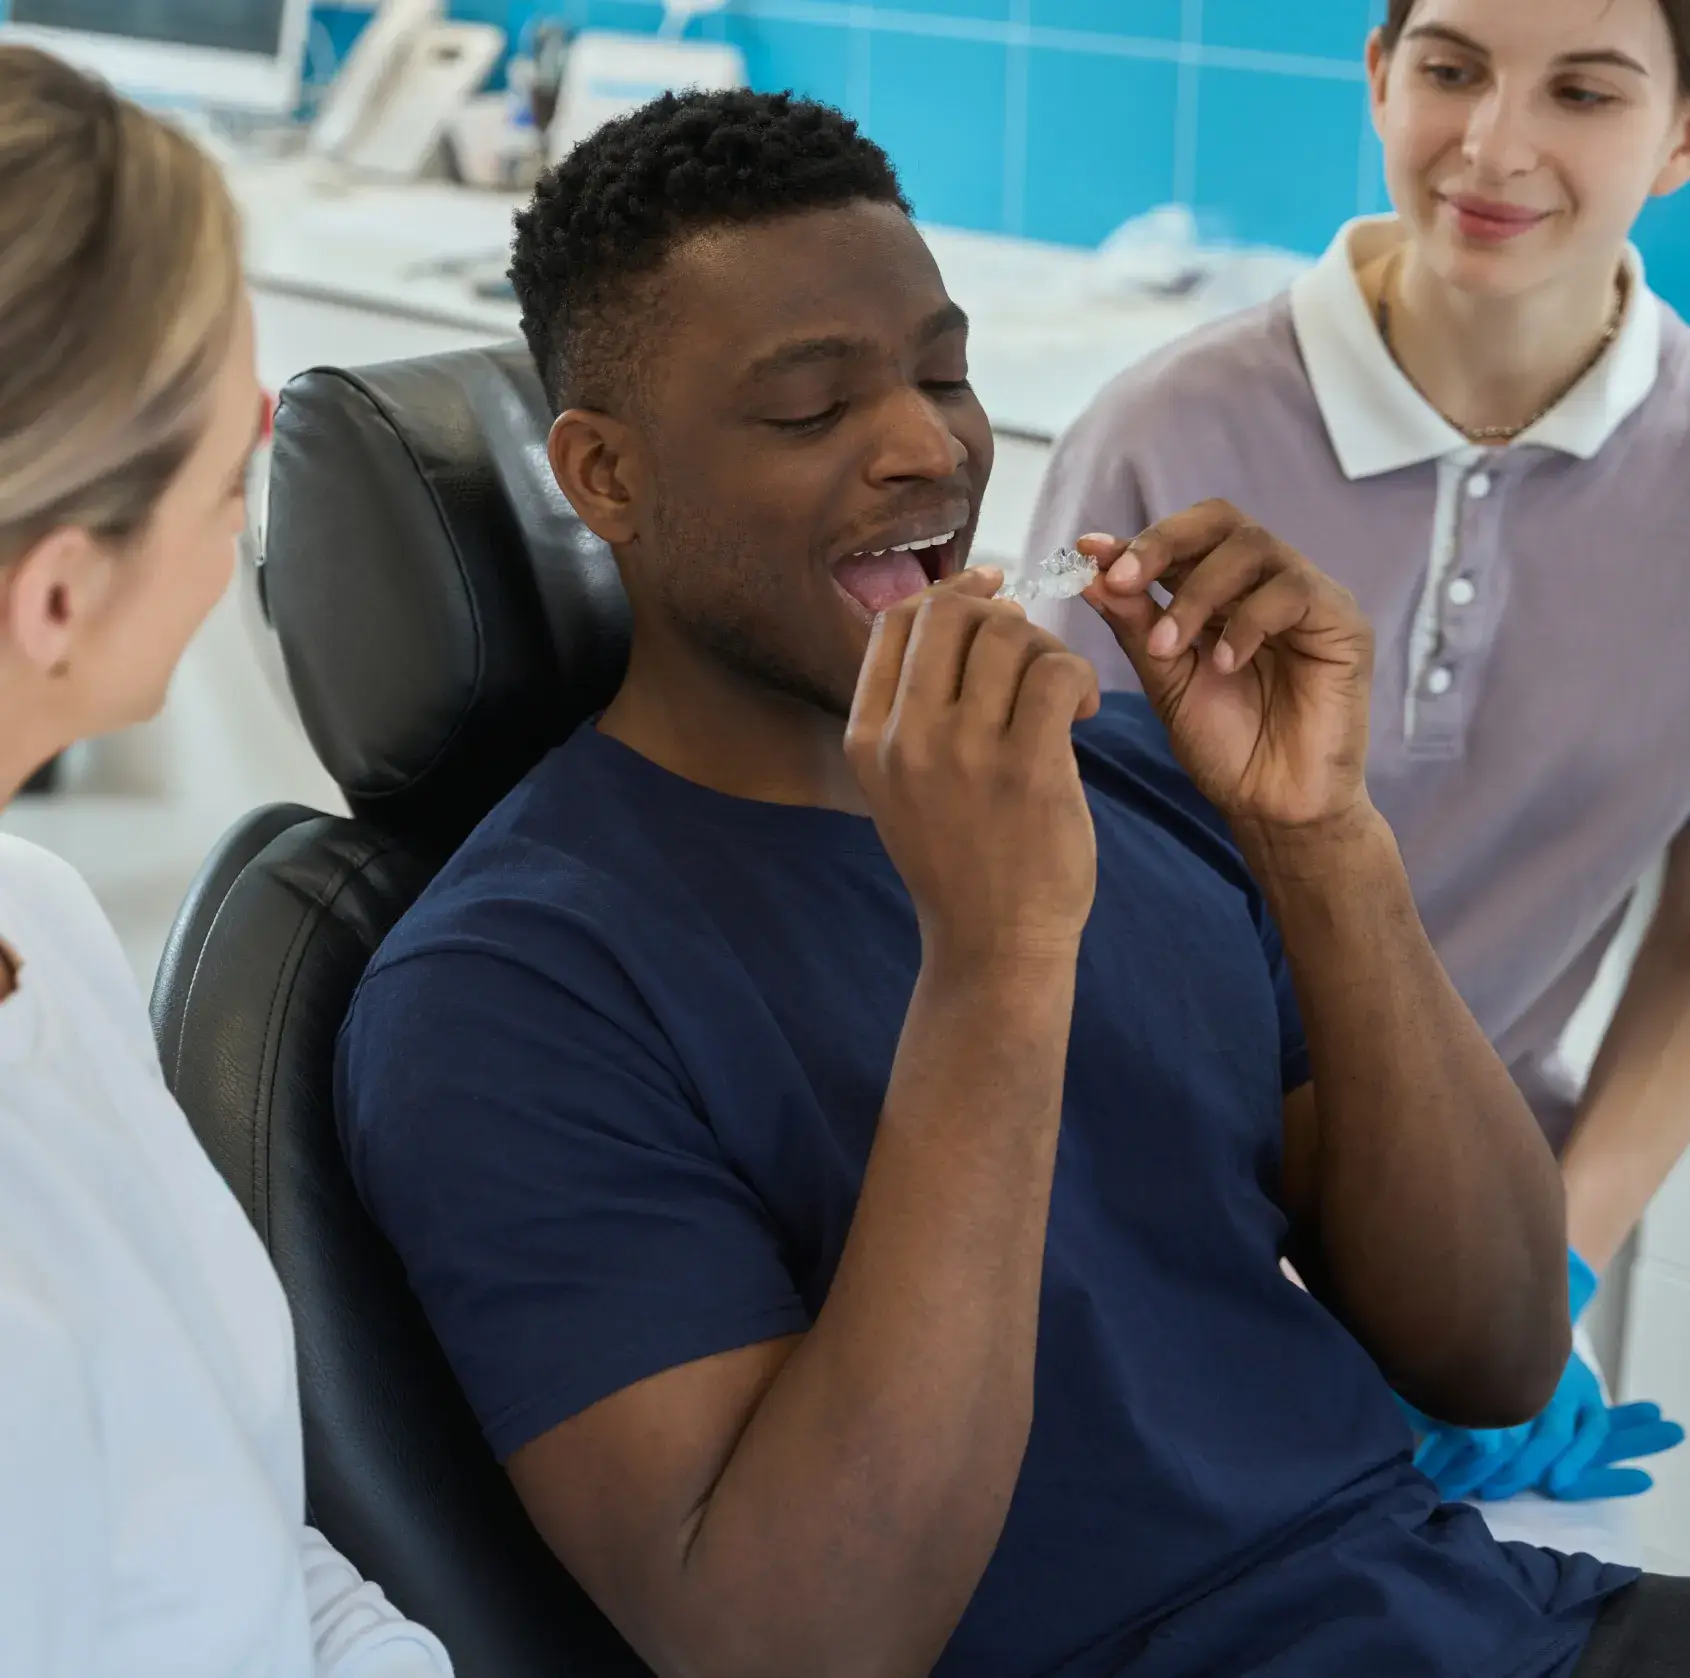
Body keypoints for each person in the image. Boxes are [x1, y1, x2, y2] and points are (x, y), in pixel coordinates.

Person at [336, 89, 1690, 1677]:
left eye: (944, 373)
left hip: (1473, 1622)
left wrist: (1323, 842)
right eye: (806, 407)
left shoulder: (1123, 776)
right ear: (606, 476)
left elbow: (1492, 1347)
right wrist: (994, 959)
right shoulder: (507, 994)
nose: (926, 445)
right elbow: (800, 1643)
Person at [1026, 0, 1690, 1507]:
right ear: (1379, 76)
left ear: (1679, 137)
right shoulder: (1163, 434)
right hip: (1149, 1252)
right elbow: (1053, 898)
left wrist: (1558, 1257)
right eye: (1449, 69)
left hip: (1486, 1246)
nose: (1493, 145)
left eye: (1582, 91)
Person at [0, 47, 452, 1678]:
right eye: (227, 462)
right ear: (58, 596)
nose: (271, 442)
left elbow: (233, 1515)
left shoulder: (36, 920)